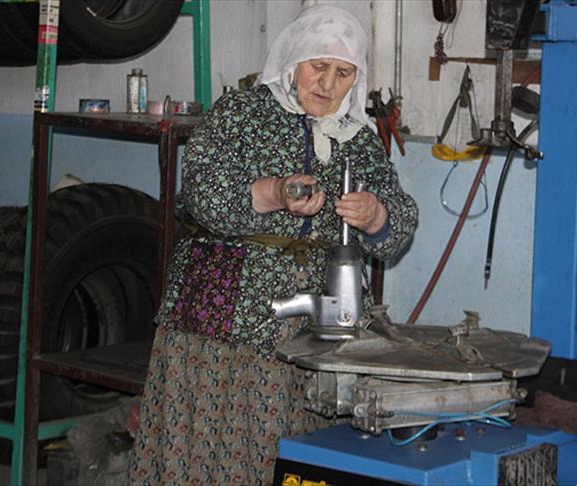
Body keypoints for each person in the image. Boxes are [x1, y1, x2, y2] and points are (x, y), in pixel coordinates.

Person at [128, 5, 418, 485]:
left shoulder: (359, 139)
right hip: (227, 317)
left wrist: (377, 217)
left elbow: (400, 225)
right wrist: (274, 193)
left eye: (343, 73)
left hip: (321, 326)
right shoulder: (242, 114)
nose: (328, 83)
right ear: (294, 60)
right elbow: (200, 193)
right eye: (318, 66)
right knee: (215, 447)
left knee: (302, 451)